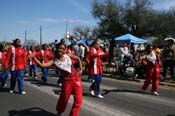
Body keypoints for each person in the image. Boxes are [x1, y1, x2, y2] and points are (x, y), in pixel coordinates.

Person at [30, 42, 83, 116]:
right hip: (67, 81)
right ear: (56, 48)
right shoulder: (54, 61)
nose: (61, 50)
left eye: (63, 49)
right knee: (64, 100)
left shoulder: (67, 55)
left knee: (78, 101)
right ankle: (59, 111)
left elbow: (78, 58)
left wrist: (81, 69)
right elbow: (42, 65)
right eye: (60, 48)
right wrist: (33, 57)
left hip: (77, 79)